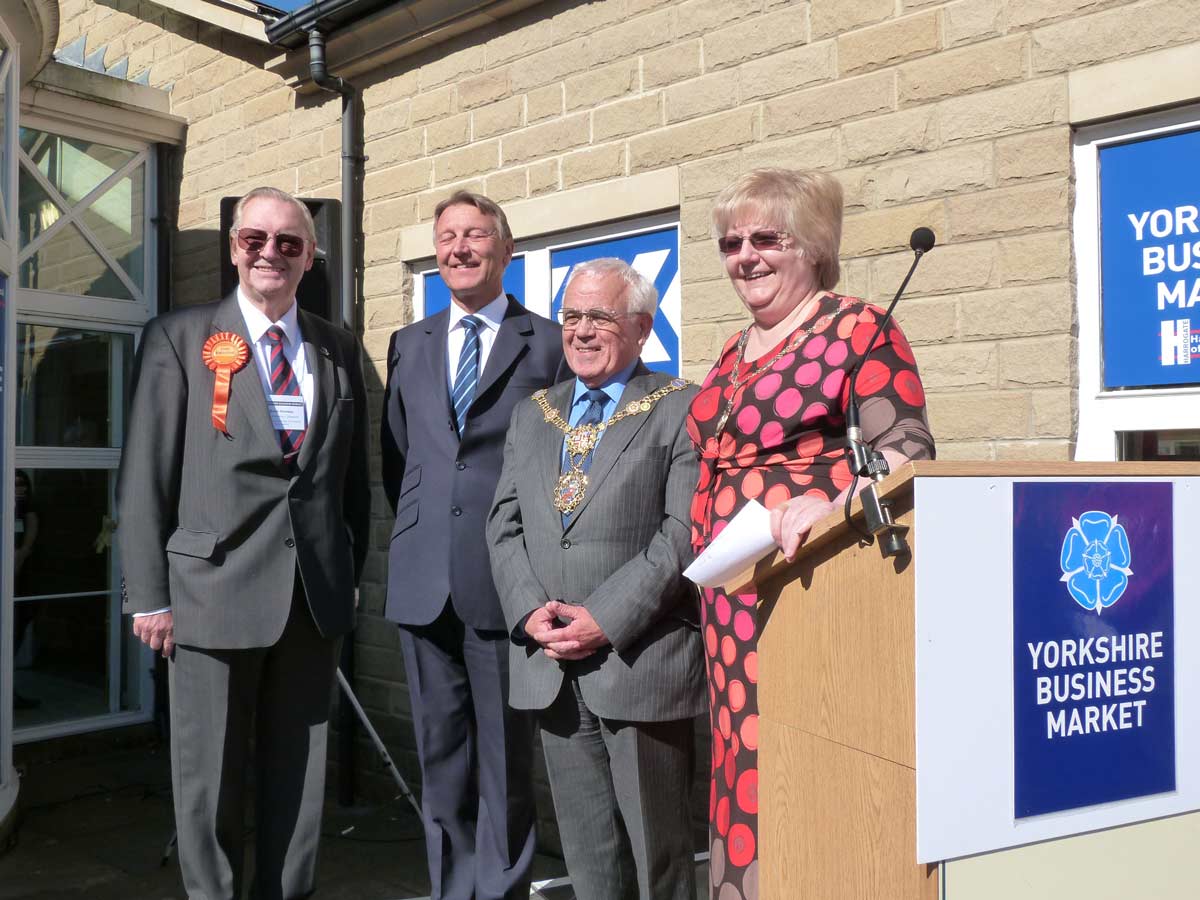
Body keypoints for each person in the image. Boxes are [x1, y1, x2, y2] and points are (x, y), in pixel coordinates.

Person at [687, 168, 935, 899]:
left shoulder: (859, 328)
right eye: (732, 242)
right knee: (740, 767)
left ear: (816, 246)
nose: (745, 256)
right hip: (731, 606)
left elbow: (908, 449)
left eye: (767, 238)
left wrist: (831, 498)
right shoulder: (735, 353)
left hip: (807, 594)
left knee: (800, 774)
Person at [117, 186, 371, 900]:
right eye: (255, 239)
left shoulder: (338, 346)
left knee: (300, 778)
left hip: (310, 600)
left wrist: (347, 570)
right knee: (210, 783)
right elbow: (145, 476)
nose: (271, 253)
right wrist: (149, 597)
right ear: (233, 248)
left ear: (310, 255)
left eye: (289, 242)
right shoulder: (182, 337)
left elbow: (350, 479)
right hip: (209, 593)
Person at [488, 259, 703, 900]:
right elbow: (503, 526)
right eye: (571, 316)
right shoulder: (534, 413)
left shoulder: (680, 405)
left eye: (599, 317)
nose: (581, 331)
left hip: (640, 661)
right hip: (551, 665)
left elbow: (684, 533)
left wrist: (604, 618)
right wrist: (530, 611)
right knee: (588, 853)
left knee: (657, 853)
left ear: (640, 327)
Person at [381, 190, 569, 899]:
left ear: (505, 250)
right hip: (424, 578)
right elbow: (398, 462)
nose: (459, 247)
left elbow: (563, 466)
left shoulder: (547, 343)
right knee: (440, 757)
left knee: (503, 759)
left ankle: (501, 889)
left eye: (475, 235)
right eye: (448, 236)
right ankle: (450, 887)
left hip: (506, 582)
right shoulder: (410, 343)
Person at [13, 469, 40, 710]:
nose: (19, 489)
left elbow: (27, 546)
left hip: (21, 586)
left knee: (15, 634)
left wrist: (19, 559)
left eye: (22, 485)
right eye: (14, 485)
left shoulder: (28, 510)